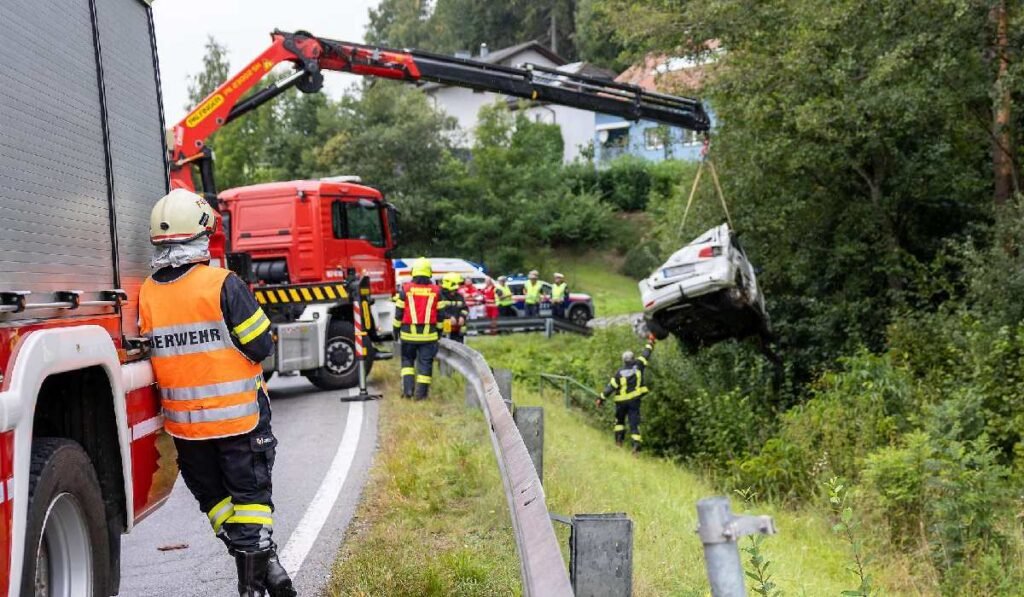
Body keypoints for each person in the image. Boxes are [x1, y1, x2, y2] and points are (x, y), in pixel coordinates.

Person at [138, 189, 295, 597]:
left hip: (187, 429)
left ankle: (267, 570)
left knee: (217, 503)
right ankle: (257, 582)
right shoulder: (223, 284)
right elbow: (261, 346)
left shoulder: (147, 294)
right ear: (202, 236)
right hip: (240, 420)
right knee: (251, 502)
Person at [596, 335, 657, 452]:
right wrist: (651, 342)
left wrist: (601, 398)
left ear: (624, 360)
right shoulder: (639, 365)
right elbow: (646, 353)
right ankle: (636, 446)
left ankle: (619, 442)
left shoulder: (619, 372)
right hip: (634, 401)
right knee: (634, 423)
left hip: (620, 402)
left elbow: (610, 387)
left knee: (619, 422)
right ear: (633, 358)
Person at [393, 257, 441, 399]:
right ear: (429, 273)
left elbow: (399, 313)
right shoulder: (436, 291)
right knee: (425, 364)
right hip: (429, 336)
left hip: (408, 335)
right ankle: (421, 395)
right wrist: (439, 332)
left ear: (413, 272)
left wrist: (396, 330)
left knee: (407, 362)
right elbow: (441, 315)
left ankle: (408, 391)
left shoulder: (406, 289)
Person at [439, 271, 469, 343]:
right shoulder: (440, 296)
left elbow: (465, 308)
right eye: (457, 284)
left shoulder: (459, 296)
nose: (459, 286)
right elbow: (439, 311)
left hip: (458, 330)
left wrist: (462, 316)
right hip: (444, 330)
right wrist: (449, 317)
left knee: (459, 347)